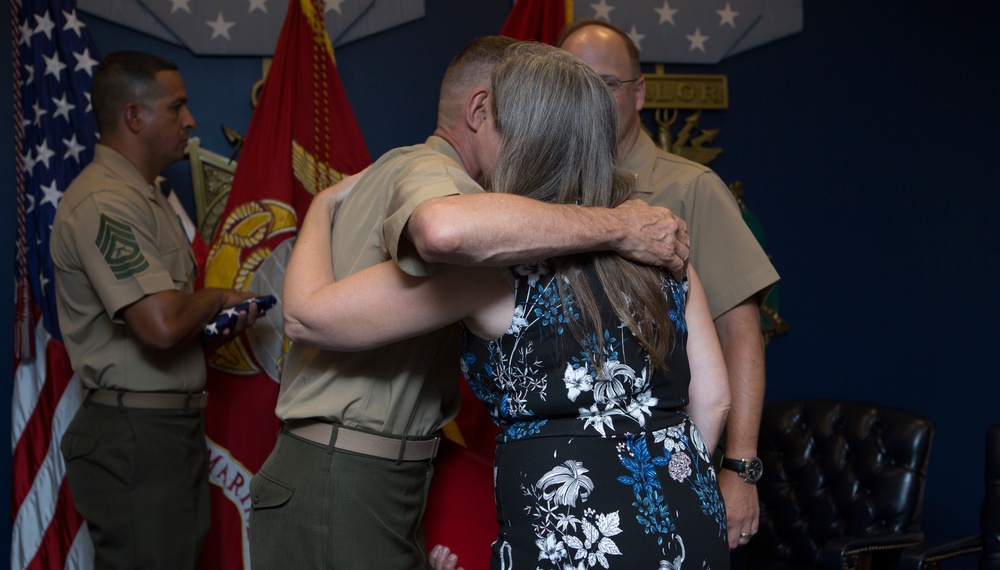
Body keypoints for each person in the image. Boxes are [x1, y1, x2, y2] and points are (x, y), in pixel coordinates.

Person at [279, 42, 732, 569]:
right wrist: (662, 474)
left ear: (522, 139)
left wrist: (319, 206)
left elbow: (307, 315)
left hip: (571, 539)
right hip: (691, 518)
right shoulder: (666, 249)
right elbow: (715, 399)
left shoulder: (490, 275)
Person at [559, 19, 781, 551]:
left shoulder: (691, 188)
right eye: (573, 83)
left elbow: (740, 334)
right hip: (570, 468)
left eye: (605, 84)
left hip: (669, 461)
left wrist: (739, 469)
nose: (589, 99)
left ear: (638, 92)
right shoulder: (546, 195)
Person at [50, 51, 263, 569]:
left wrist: (218, 325)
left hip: (163, 433)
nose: (190, 121)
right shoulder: (105, 202)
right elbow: (163, 325)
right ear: (133, 117)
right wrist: (217, 298)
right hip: (135, 437)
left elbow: (173, 329)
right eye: (177, 107)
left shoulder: (145, 199)